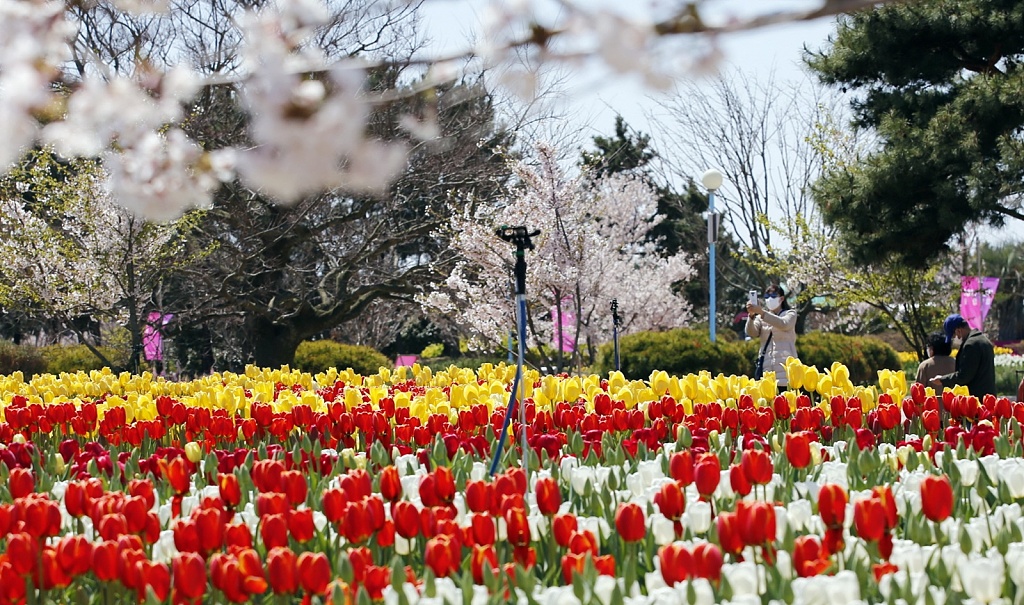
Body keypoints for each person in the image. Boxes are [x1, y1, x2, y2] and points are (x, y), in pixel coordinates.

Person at [930, 313, 996, 399]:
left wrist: (942, 380)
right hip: (988, 397)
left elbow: (964, 376)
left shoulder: (971, 345)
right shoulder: (983, 340)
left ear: (958, 330)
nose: (957, 338)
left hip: (976, 399)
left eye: (954, 335)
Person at [745, 283, 799, 387]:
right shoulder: (760, 317)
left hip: (786, 368)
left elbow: (784, 324)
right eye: (767, 297)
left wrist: (762, 313)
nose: (770, 299)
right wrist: (751, 316)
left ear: (782, 298)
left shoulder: (790, 314)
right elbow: (752, 332)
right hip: (767, 366)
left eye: (773, 296)